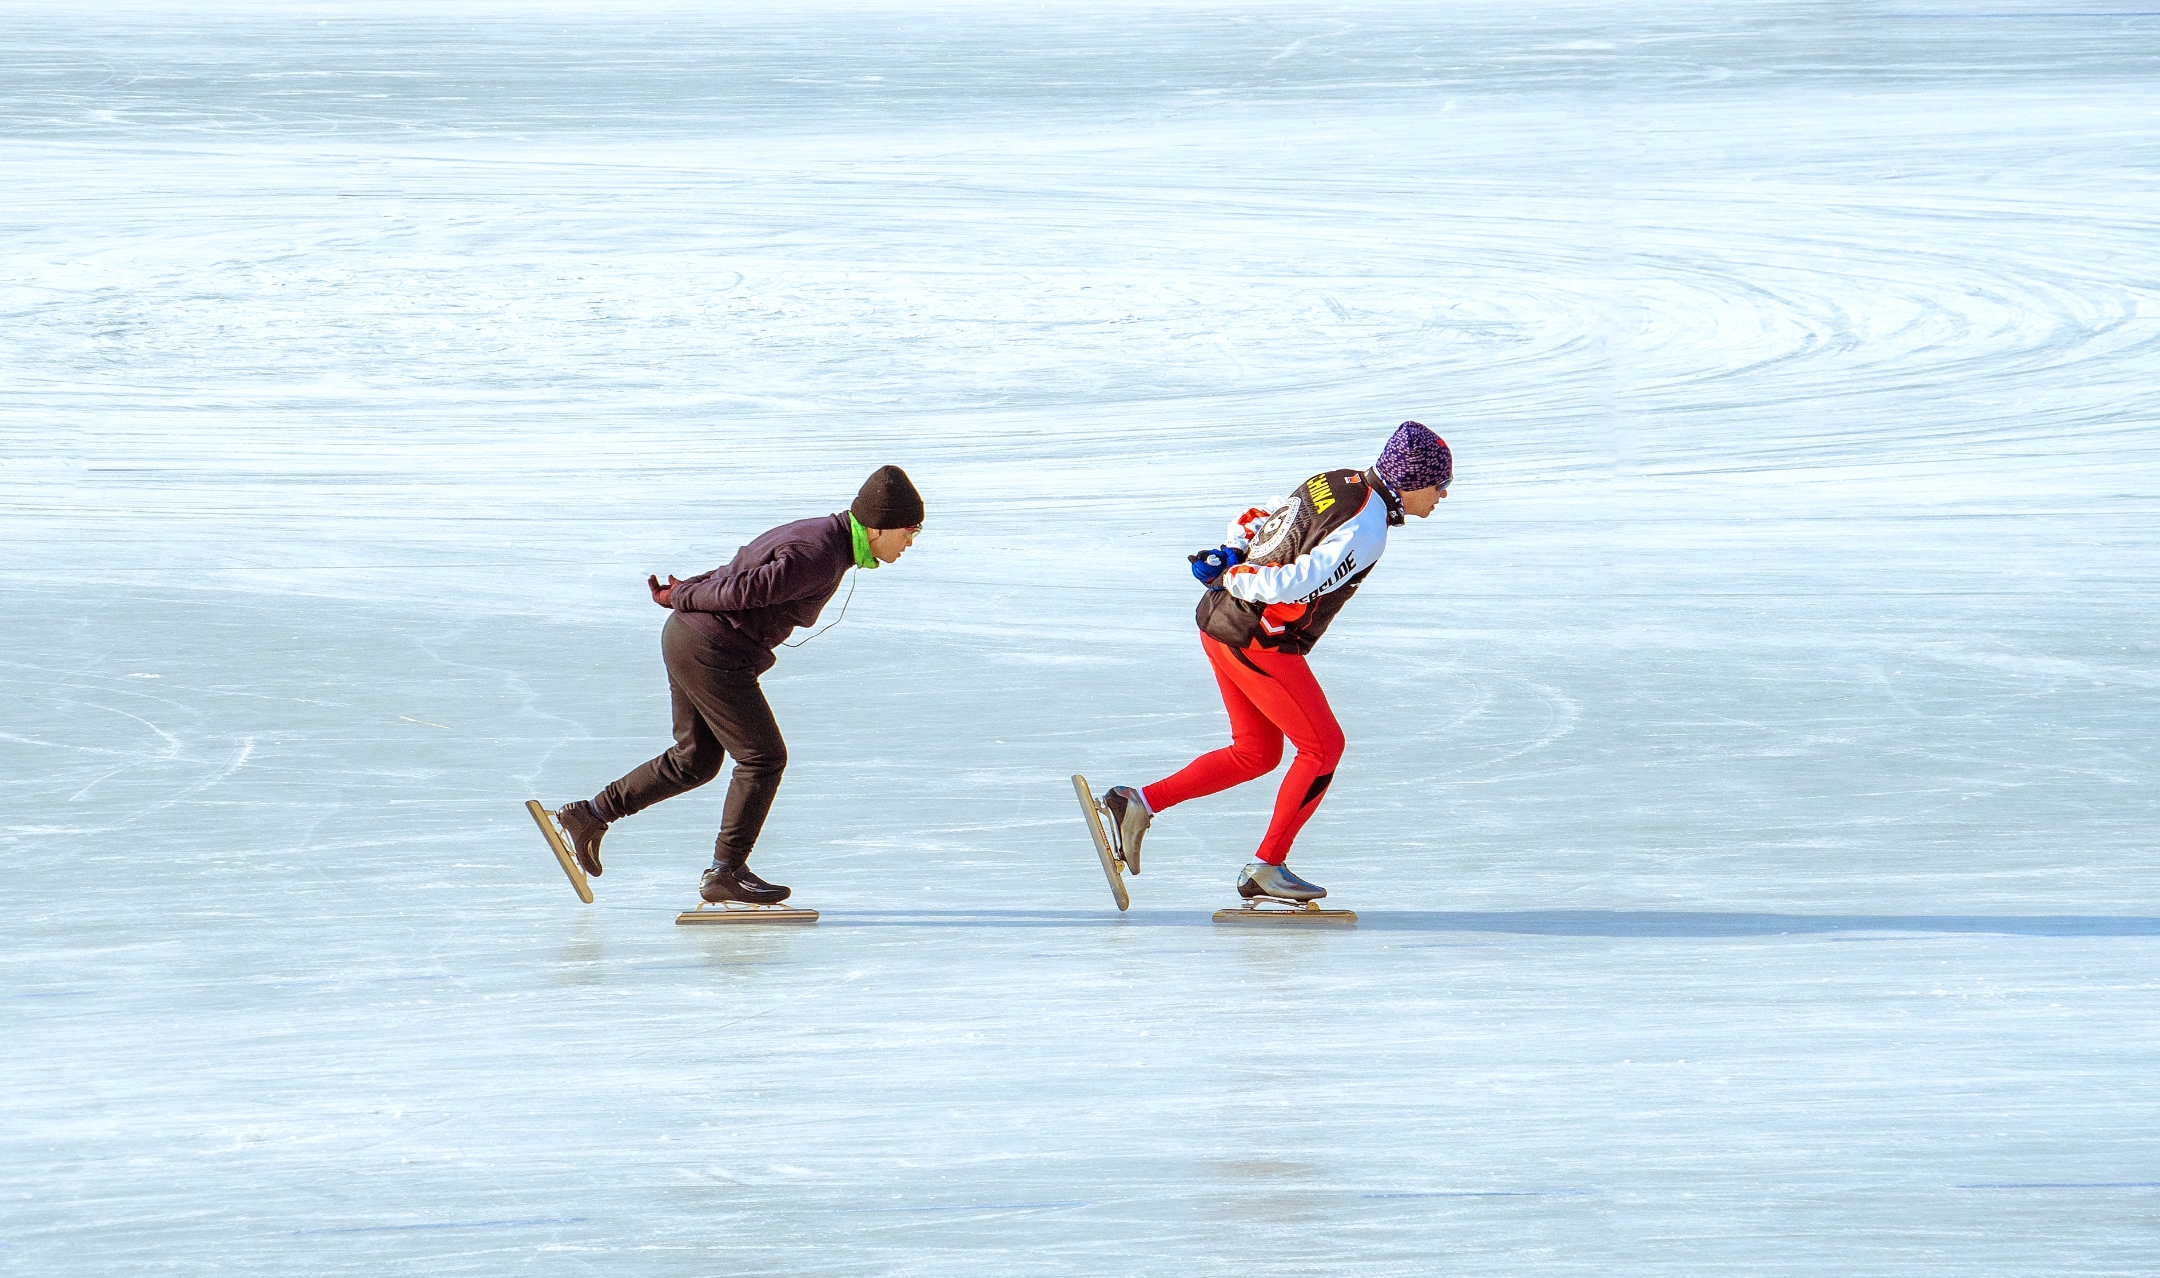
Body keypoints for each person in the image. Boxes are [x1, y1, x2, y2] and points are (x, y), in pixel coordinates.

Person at [1092, 422, 1452, 904]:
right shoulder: (1367, 527)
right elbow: (1296, 583)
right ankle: (1267, 866)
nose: (1443, 495)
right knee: (1323, 748)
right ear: (1411, 480)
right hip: (1256, 638)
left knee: (1256, 752)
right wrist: (1233, 574)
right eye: (1440, 484)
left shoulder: (1337, 480)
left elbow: (1266, 519)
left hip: (1220, 624)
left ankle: (1136, 803)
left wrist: (1231, 553)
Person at [547, 465, 923, 905]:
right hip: (712, 649)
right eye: (909, 531)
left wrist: (686, 591)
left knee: (695, 760)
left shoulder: (821, 537)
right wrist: (684, 595)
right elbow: (743, 589)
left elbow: (734, 570)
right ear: (877, 526)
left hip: (690, 638)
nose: (911, 542)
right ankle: (726, 872)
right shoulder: (819, 553)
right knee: (763, 757)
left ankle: (589, 815)